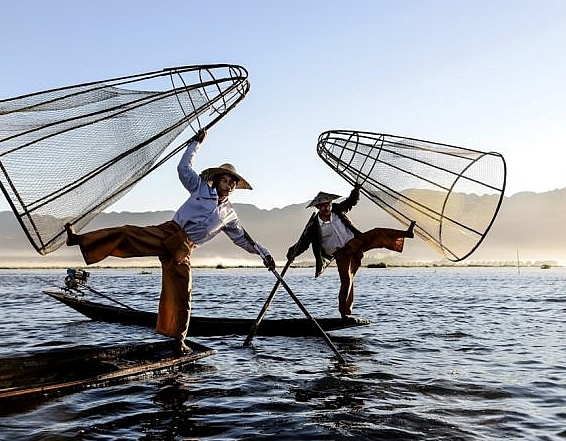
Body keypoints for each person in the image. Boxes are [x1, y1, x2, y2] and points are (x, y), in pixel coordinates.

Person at [65, 129, 275, 355]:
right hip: (168, 231)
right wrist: (196, 143)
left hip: (184, 248)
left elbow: (243, 239)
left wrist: (265, 255)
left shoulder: (229, 215)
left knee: (182, 293)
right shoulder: (200, 187)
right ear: (216, 181)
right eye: (224, 180)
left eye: (231, 182)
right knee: (127, 232)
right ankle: (78, 240)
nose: (228, 185)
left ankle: (177, 339)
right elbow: (183, 168)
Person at [286, 186, 414, 319]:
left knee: (376, 233)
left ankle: (407, 233)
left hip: (355, 242)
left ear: (330, 204)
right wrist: (292, 254)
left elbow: (351, 202)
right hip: (342, 253)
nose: (325, 208)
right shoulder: (314, 226)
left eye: (327, 204)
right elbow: (303, 243)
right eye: (322, 206)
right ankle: (344, 313)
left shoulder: (337, 210)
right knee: (347, 280)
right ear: (317, 208)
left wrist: (356, 189)